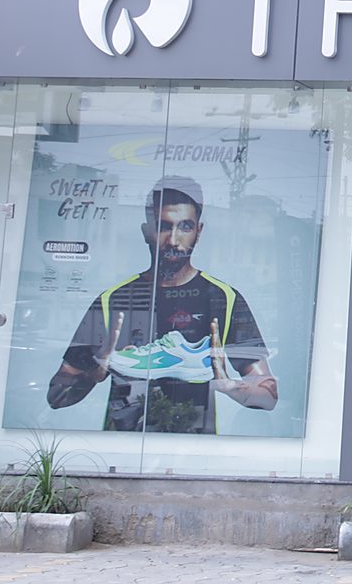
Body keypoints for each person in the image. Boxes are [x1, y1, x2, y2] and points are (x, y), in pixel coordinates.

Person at [47, 176, 277, 433]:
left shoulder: (223, 299)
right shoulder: (113, 300)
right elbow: (56, 397)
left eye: (185, 227)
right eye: (164, 227)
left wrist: (229, 384)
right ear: (147, 230)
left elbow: (268, 396)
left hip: (194, 446)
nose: (173, 240)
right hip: (122, 445)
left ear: (199, 232)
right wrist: (94, 372)